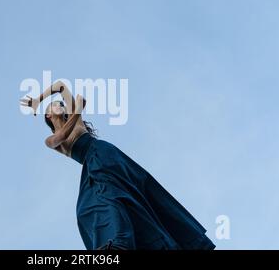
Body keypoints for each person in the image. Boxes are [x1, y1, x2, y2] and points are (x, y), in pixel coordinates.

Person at [20, 81, 215, 250]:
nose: (59, 104)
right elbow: (60, 137)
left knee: (120, 195)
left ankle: (119, 242)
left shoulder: (76, 120)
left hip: (107, 155)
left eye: (60, 103)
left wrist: (39, 99)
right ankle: (117, 242)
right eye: (53, 105)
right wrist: (77, 108)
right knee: (97, 205)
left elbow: (60, 85)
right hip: (92, 163)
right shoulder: (53, 138)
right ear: (47, 116)